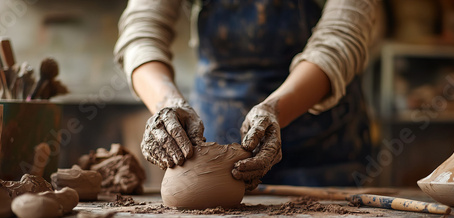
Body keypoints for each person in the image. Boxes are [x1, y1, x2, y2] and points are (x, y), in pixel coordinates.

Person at [114, 0, 380, 190]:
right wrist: (167, 104)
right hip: (217, 144)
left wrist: (275, 109)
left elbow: (342, 36)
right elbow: (141, 32)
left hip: (323, 148)